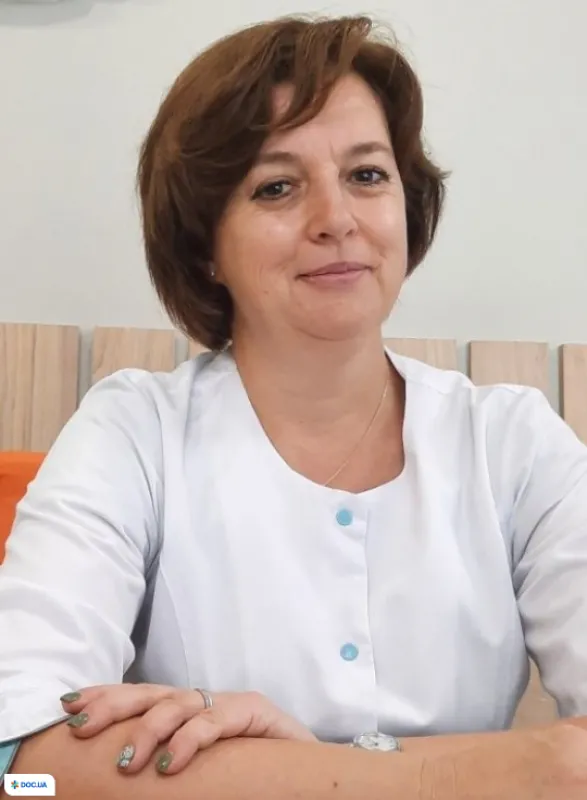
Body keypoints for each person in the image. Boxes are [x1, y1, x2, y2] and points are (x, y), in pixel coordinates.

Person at [1, 13, 587, 800]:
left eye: (367, 175)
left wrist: (291, 766)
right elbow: (24, 759)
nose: (336, 220)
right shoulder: (132, 432)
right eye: (276, 186)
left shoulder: (514, 442)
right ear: (204, 245)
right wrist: (502, 769)